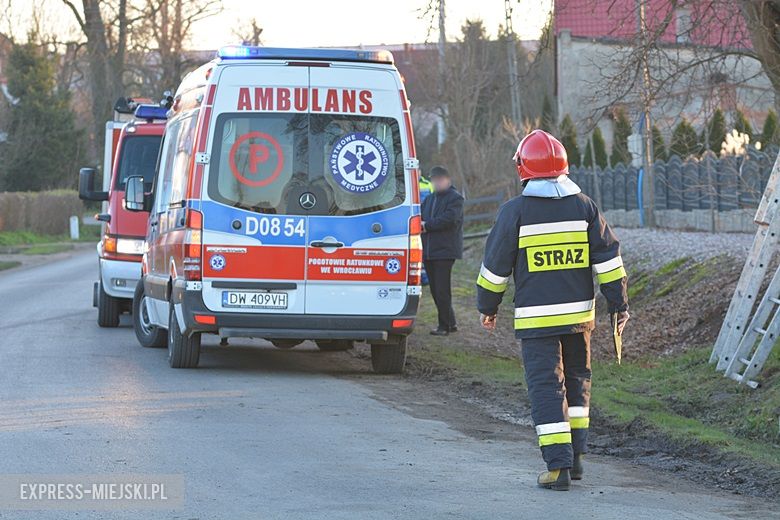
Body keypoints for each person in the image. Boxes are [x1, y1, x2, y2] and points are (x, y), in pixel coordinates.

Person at [475, 130, 629, 491]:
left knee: (547, 388)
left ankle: (557, 468)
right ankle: (575, 459)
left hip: (537, 322)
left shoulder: (515, 212)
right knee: (578, 382)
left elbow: (495, 267)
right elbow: (609, 260)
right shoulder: (585, 207)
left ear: (522, 169)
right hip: (580, 320)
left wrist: (488, 306)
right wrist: (619, 304)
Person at [421, 166, 464, 336]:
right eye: (434, 180)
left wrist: (427, 225)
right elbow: (420, 216)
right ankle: (450, 323)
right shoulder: (429, 199)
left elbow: (449, 219)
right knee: (435, 289)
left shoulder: (456, 199)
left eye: (440, 179)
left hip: (445, 251)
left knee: (441, 289)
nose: (437, 182)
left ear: (448, 180)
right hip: (429, 251)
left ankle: (444, 326)